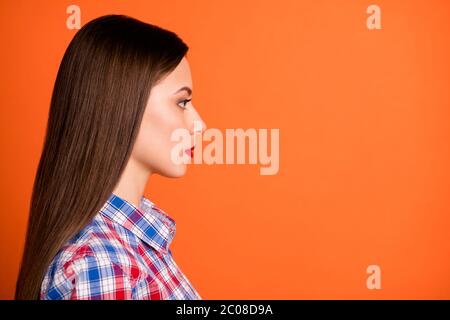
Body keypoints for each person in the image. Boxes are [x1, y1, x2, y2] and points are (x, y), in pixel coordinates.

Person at [15, 14, 206, 300]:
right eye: (182, 102)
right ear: (124, 103)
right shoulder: (103, 263)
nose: (199, 124)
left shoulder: (128, 245)